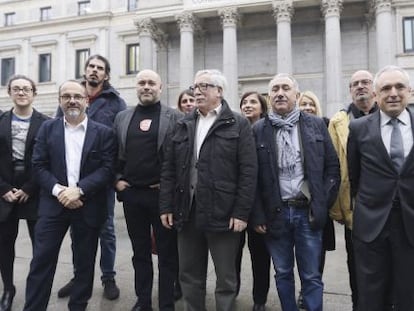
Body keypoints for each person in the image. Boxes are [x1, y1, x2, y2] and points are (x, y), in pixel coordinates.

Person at [159, 69, 258, 311]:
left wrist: (241, 212)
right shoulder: (182, 124)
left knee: (225, 277)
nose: (197, 91)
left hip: (224, 214)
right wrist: (166, 206)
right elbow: (169, 170)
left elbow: (248, 171)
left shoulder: (238, 123)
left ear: (219, 91)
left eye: (204, 86)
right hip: (187, 211)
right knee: (189, 275)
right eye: (195, 86)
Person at [23, 80, 116, 311]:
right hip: (53, 206)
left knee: (84, 265)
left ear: (86, 100)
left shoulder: (104, 133)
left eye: (77, 96)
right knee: (41, 263)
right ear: (60, 101)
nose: (72, 100)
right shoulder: (47, 128)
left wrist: (80, 189)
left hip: (88, 205)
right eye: (66, 96)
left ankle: (78, 307)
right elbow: (38, 165)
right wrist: (60, 190)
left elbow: (107, 169)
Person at [251, 73, 340, 311]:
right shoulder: (258, 129)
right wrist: (258, 214)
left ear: (296, 95)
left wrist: (321, 203)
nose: (280, 92)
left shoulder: (316, 124)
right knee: (282, 273)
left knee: (311, 275)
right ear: (269, 97)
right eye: (275, 89)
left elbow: (332, 168)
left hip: (307, 214)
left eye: (286, 88)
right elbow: (253, 178)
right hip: (275, 214)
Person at [57, 54, 126, 301]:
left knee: (106, 230)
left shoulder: (116, 102)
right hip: (73, 180)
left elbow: (121, 142)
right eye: (91, 67)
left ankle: (108, 277)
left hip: (102, 180)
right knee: (78, 232)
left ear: (106, 75)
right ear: (85, 71)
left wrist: (116, 175)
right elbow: (58, 134)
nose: (94, 71)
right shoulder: (70, 96)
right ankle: (80, 276)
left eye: (100, 68)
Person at [113, 69, 182, 311]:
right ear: (136, 87)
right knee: (139, 253)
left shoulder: (174, 117)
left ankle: (166, 304)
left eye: (151, 83)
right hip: (132, 195)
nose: (146, 87)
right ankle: (143, 302)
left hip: (162, 198)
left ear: (160, 88)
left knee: (166, 254)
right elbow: (114, 155)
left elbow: (180, 158)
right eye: (141, 83)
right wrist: (117, 180)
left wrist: (170, 186)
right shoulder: (122, 117)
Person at [347, 65, 414, 311]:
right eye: (386, 88)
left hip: (411, 225)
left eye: (399, 87)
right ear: (376, 94)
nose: (393, 93)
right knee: (372, 296)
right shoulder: (358, 128)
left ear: (410, 91)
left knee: (409, 294)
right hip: (372, 227)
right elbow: (354, 176)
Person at [328, 69, 377, 310]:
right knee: (356, 265)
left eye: (365, 82)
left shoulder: (390, 118)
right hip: (355, 209)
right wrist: (338, 207)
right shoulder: (339, 122)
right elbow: (333, 168)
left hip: (389, 206)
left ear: (374, 89)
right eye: (355, 83)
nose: (360, 87)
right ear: (350, 90)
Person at [0, 75, 49, 311]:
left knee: (40, 246)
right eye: (16, 89)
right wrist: (4, 189)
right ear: (10, 92)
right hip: (4, 190)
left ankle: (36, 289)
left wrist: (31, 187)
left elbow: (49, 160)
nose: (21, 92)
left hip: (34, 190)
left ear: (33, 93)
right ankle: (8, 288)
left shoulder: (46, 123)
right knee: (4, 244)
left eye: (26, 89)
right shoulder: (0, 121)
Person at [297, 90, 336, 309]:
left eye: (311, 104)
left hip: (317, 201)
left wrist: (324, 198)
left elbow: (332, 165)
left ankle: (308, 290)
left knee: (316, 253)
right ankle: (305, 289)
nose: (307, 108)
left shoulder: (324, 125)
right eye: (303, 104)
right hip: (296, 201)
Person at [235, 91, 270, 311]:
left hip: (260, 207)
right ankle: (233, 289)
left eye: (253, 102)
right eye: (244, 102)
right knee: (232, 255)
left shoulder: (268, 131)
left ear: (262, 107)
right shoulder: (235, 130)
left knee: (260, 257)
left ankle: (260, 299)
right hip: (236, 206)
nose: (248, 105)